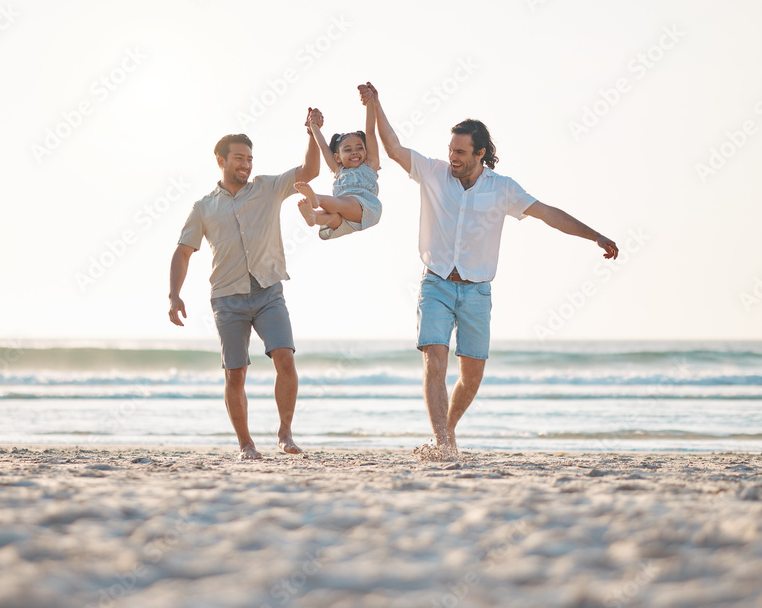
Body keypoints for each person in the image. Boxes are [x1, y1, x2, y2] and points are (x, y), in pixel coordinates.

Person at [360, 82, 619, 456]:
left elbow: (548, 214)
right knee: (434, 358)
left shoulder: (502, 189)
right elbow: (395, 148)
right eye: (451, 150)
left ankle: (447, 430)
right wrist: (376, 103)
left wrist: (594, 236)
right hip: (435, 283)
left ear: (480, 153)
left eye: (461, 152)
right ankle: (443, 443)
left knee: (472, 375)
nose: (453, 157)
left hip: (477, 291)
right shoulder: (433, 173)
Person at [168, 109, 323, 460]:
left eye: (250, 159)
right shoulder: (203, 207)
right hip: (227, 299)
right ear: (220, 160)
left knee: (285, 358)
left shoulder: (268, 187)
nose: (246, 165)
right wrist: (174, 295)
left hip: (268, 291)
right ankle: (246, 444)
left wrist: (313, 132)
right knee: (235, 374)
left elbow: (310, 171)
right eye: (239, 158)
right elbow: (182, 252)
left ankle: (285, 433)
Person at [293, 94, 381, 240]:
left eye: (359, 148)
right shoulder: (339, 170)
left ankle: (317, 199)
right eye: (347, 150)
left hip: (365, 208)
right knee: (331, 217)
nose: (354, 152)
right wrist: (313, 125)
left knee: (341, 203)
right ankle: (314, 216)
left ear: (366, 151)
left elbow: (371, 132)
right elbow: (322, 146)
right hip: (343, 215)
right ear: (337, 157)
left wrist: (370, 102)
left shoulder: (370, 165)